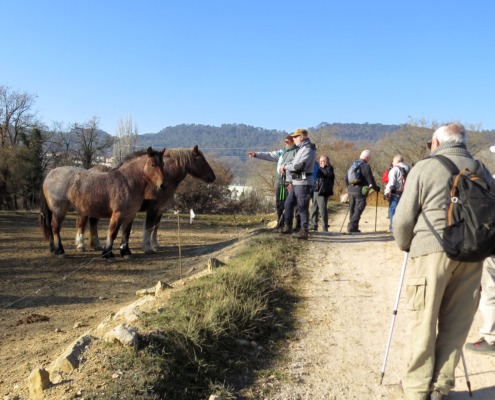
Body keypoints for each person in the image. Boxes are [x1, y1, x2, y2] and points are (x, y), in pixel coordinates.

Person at [393, 123, 495, 400]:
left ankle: (417, 389)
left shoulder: (425, 167)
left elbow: (402, 219)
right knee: (456, 324)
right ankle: (441, 386)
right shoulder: (482, 169)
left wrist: (406, 245)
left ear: (436, 143)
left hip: (432, 251)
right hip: (473, 254)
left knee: (424, 321)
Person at [247, 135, 299, 230]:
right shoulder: (283, 152)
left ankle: (289, 225)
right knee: (279, 204)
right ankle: (280, 224)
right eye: (285, 141)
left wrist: (292, 182)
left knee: (289, 205)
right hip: (281, 181)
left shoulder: (297, 152)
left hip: (290, 182)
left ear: (293, 141)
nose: (285, 143)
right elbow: (270, 155)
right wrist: (256, 154)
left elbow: (297, 168)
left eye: (287, 141)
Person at [279, 128, 317, 239]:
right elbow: (294, 163)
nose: (294, 139)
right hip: (296, 182)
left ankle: (304, 230)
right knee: (288, 204)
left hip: (303, 182)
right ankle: (288, 226)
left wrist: (286, 166)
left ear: (302, 136)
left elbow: (300, 166)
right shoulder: (301, 149)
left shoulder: (308, 149)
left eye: (295, 137)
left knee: (302, 206)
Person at [344, 150, 380, 233]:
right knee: (359, 208)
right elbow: (370, 180)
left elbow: (346, 178)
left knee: (352, 208)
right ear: (367, 157)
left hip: (351, 189)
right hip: (360, 190)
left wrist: (348, 187)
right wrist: (376, 188)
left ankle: (354, 228)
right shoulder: (365, 166)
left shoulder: (352, 164)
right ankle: (351, 226)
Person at [384, 154, 410, 232]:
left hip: (396, 193)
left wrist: (386, 192)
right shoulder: (409, 168)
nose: (392, 162)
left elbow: (391, 182)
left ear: (397, 161)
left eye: (393, 161)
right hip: (406, 193)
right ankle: (403, 228)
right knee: (404, 211)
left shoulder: (394, 170)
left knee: (393, 209)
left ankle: (393, 227)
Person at [309, 155, 335, 232]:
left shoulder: (329, 168)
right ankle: (313, 225)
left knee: (322, 209)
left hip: (323, 192)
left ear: (326, 161)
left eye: (322, 161)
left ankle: (324, 226)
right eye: (320, 161)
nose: (320, 163)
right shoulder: (319, 169)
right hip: (316, 190)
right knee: (313, 209)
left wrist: (322, 168)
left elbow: (326, 174)